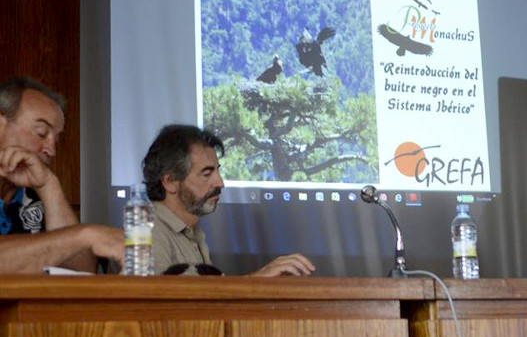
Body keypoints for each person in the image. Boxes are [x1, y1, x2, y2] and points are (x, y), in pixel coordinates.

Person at [142, 124, 315, 276]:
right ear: (170, 182)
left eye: (217, 171)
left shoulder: (194, 233)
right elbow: (161, 302)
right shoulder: (148, 231)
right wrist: (258, 280)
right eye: (207, 173)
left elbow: (206, 301)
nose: (220, 182)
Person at [0, 77, 124, 273]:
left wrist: (49, 185)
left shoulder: (32, 193)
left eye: (56, 140)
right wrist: (83, 236)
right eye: (41, 133)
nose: (51, 150)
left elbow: (81, 271)